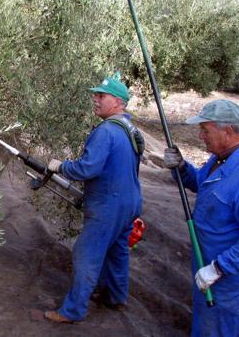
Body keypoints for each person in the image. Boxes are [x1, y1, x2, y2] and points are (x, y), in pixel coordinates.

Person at [162, 99, 239, 336]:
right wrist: (182, 168)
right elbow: (202, 184)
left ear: (227, 131)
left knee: (220, 328)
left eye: (205, 130)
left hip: (228, 280)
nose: (200, 136)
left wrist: (218, 268)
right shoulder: (221, 157)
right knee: (206, 324)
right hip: (207, 264)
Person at [44, 73, 143, 323]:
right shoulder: (130, 128)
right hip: (130, 203)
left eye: (101, 95)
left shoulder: (107, 130)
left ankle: (72, 311)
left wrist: (60, 166)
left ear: (118, 101)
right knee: (118, 252)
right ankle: (116, 298)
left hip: (108, 206)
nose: (95, 99)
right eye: (95, 94)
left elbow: (88, 168)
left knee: (85, 254)